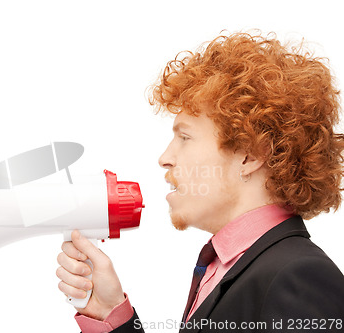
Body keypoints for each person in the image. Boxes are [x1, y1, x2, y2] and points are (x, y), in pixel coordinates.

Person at [56, 32, 344, 332]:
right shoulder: (227, 267)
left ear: (250, 155)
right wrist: (109, 313)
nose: (165, 157)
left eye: (184, 137)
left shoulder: (299, 277)